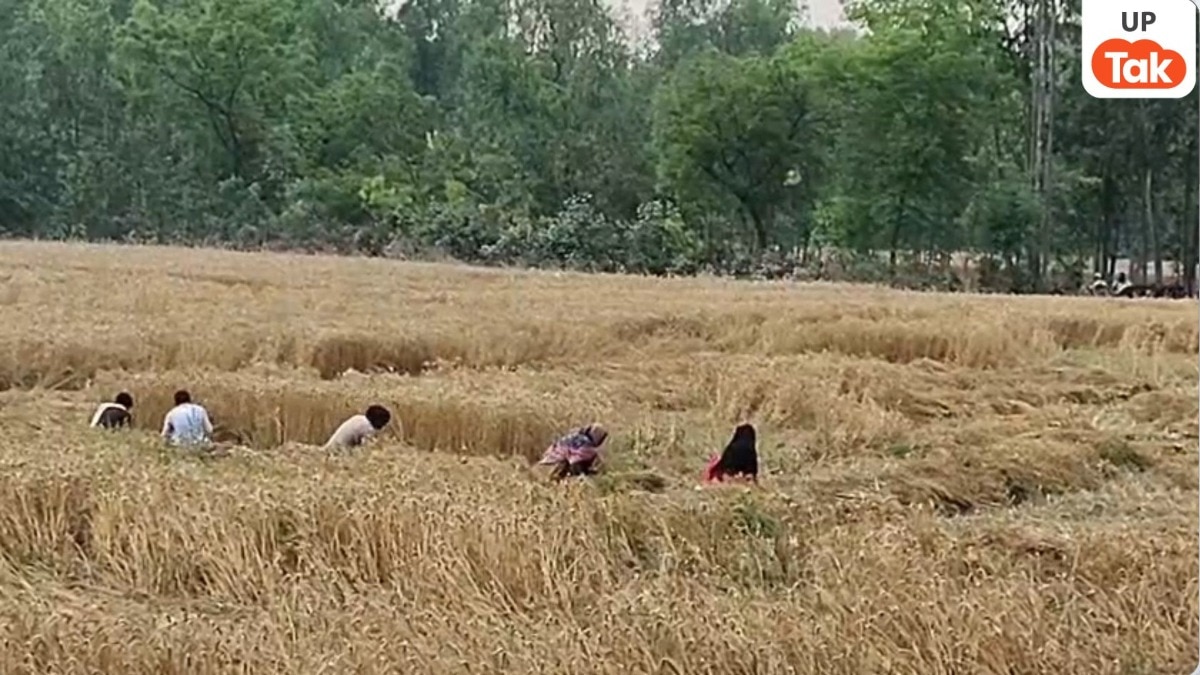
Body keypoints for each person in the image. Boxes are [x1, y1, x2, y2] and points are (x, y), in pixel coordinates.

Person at [537, 424, 608, 480]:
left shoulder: (575, 436)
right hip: (555, 466)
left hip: (546, 462)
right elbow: (575, 464)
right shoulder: (586, 445)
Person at [323, 405, 392, 450]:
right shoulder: (367, 427)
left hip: (330, 448)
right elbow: (366, 449)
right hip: (337, 451)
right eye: (384, 423)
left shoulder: (358, 418)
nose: (383, 426)